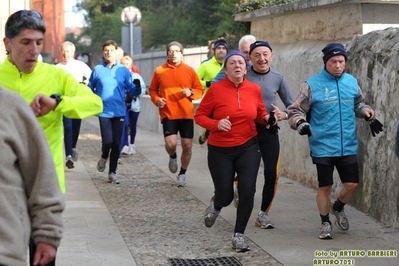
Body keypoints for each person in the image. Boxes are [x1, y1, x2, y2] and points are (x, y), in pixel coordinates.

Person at [0, 10, 103, 194]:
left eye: (39, 43)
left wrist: (58, 103)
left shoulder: (57, 75)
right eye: (26, 42)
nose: (34, 50)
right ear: (7, 43)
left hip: (46, 187)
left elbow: (95, 104)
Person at [288, 43, 383, 239]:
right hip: (322, 145)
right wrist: (300, 123)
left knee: (352, 185)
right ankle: (325, 223)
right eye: (333, 62)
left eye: (341, 61)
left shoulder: (351, 81)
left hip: (347, 143)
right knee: (325, 186)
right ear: (326, 63)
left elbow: (358, 103)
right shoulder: (312, 85)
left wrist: (366, 112)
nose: (338, 65)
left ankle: (338, 207)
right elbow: (295, 110)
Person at [195, 51, 274, 252]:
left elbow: (259, 113)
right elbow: (200, 116)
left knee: (247, 191)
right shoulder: (215, 89)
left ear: (245, 67)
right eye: (232, 63)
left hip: (248, 146)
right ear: (226, 69)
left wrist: (269, 118)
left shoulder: (254, 89)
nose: (237, 65)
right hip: (220, 150)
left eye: (241, 62)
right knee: (226, 195)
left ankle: (238, 235)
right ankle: (216, 206)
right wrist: (216, 123)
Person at [0, 87, 65, 266]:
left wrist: (47, 232)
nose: (33, 56)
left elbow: (41, 173)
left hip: (4, 251)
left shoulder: (10, 107)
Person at [240, 40, 294, 229]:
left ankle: (263, 213)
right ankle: (239, 191)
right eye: (257, 55)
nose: (262, 59)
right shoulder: (243, 75)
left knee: (272, 173)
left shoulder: (278, 77)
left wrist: (283, 115)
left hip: (269, 131)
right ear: (250, 57)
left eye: (265, 54)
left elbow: (293, 106)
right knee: (247, 174)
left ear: (271, 56)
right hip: (245, 131)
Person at [148, 41, 203, 187]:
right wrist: (157, 100)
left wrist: (190, 92)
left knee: (187, 146)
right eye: (171, 51)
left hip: (186, 114)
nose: (173, 54)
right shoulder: (160, 71)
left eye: (176, 51)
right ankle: (172, 156)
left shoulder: (190, 70)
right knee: (171, 144)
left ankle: (183, 173)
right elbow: (152, 90)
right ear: (167, 53)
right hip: (168, 113)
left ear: (182, 53)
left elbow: (199, 90)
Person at [89, 40, 141, 184]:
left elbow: (131, 89)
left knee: (117, 143)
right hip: (104, 111)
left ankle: (112, 172)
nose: (108, 53)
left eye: (111, 50)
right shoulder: (97, 70)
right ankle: (104, 156)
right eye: (106, 50)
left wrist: (136, 88)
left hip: (119, 111)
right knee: (108, 141)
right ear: (103, 53)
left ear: (116, 52)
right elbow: (90, 87)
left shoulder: (122, 70)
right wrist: (91, 98)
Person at [57, 41, 93, 169]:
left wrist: (85, 85)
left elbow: (92, 77)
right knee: (67, 127)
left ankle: (72, 147)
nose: (65, 54)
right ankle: (69, 156)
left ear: (73, 52)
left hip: (77, 100)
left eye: (68, 51)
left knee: (76, 126)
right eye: (63, 51)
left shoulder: (80, 65)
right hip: (65, 100)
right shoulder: (57, 67)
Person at [197, 39, 228, 144]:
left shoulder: (231, 64)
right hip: (210, 100)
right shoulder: (206, 65)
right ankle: (207, 135)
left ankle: (207, 134)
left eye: (223, 48)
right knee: (214, 125)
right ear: (213, 51)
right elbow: (194, 80)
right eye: (218, 48)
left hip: (226, 100)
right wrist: (207, 84)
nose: (221, 50)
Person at [119, 55, 146, 157]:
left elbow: (143, 90)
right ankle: (125, 145)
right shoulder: (120, 77)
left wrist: (134, 93)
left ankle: (132, 144)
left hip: (134, 106)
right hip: (124, 105)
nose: (125, 66)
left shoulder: (136, 76)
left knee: (132, 126)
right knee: (125, 125)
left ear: (130, 65)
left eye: (127, 64)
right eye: (123, 64)